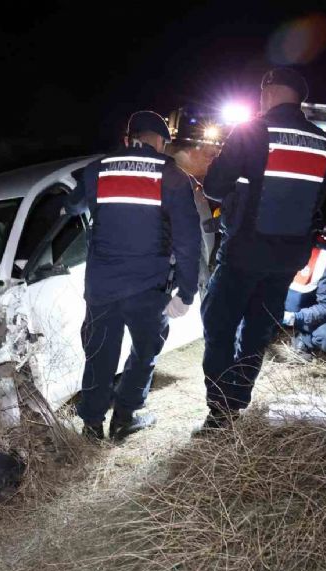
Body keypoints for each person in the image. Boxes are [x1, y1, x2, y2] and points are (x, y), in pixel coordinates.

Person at [199, 67, 326, 431]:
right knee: (258, 332)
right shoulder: (324, 143)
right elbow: (320, 203)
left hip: (243, 253)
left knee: (219, 325)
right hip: (286, 261)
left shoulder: (252, 131)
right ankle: (239, 397)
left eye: (262, 91)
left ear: (271, 91)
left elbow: (213, 187)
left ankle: (220, 409)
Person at [66, 110, 201, 441]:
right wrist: (185, 292)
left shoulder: (97, 169)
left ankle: (92, 425)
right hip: (148, 287)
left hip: (102, 286)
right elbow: (188, 239)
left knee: (99, 353)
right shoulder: (171, 176)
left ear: (129, 137)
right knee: (145, 352)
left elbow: (71, 208)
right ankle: (125, 418)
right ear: (160, 142)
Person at [282, 234, 326, 353]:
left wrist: (294, 318)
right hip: (272, 310)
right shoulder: (269, 247)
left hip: (305, 316)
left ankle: (304, 340)